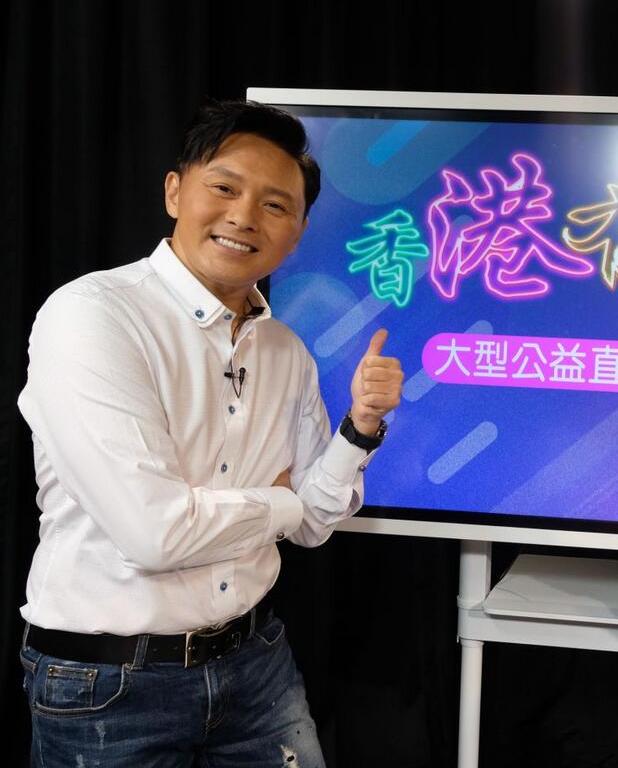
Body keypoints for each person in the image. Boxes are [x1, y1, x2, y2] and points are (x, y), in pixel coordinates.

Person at [16, 99, 403, 767]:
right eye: (224, 188)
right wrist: (279, 502)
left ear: (296, 235)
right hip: (109, 682)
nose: (244, 216)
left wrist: (359, 427)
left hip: (256, 663)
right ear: (175, 191)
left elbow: (316, 522)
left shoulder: (284, 351)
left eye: (275, 205)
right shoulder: (92, 316)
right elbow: (154, 533)